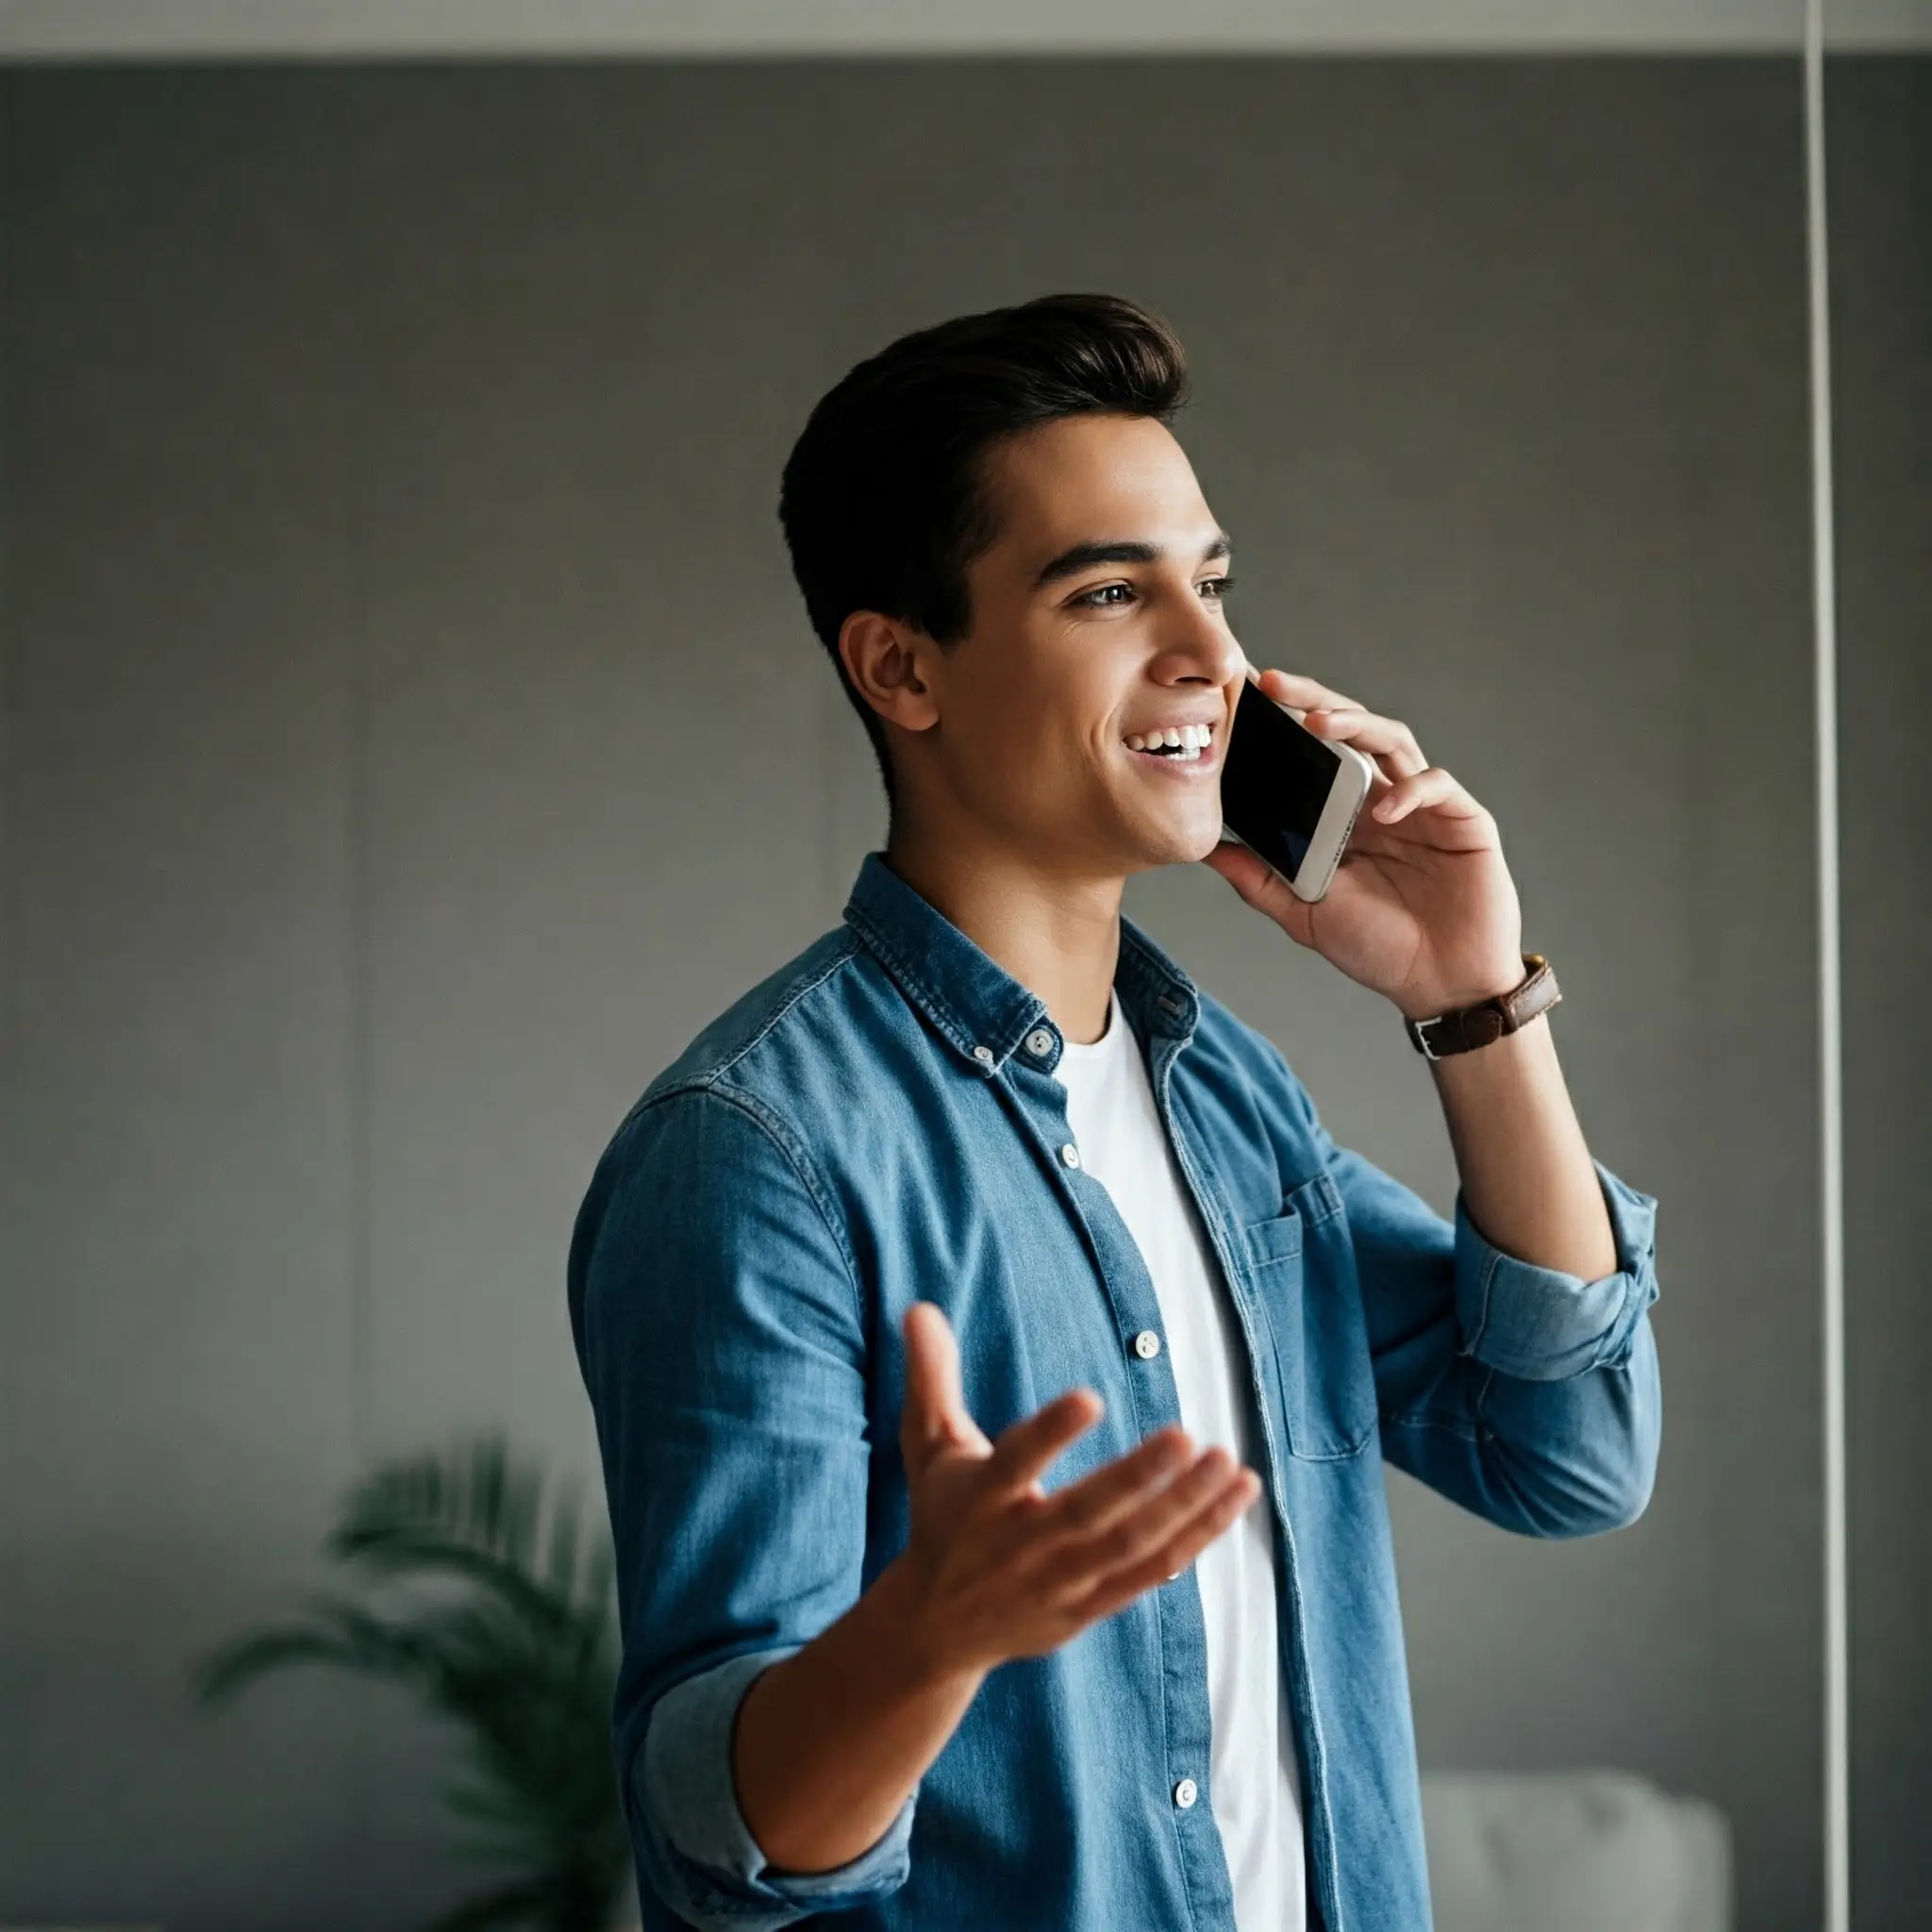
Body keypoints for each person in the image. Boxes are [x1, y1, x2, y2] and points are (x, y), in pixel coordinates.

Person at [567, 292, 1662, 1932]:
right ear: (901, 666)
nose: (1214, 658)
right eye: (1107, 591)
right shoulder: (758, 1155)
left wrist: (1476, 1001)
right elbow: (715, 1838)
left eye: (1211, 583)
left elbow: (1566, 1453)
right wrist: (924, 1638)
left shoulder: (1228, 1102)